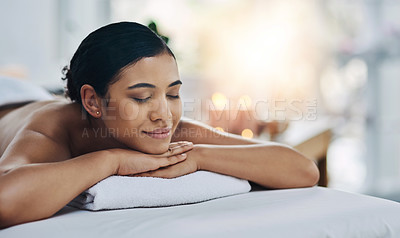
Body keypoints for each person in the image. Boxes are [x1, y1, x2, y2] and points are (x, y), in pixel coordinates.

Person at [0, 22, 319, 228]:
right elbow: (5, 201)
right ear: (93, 102)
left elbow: (303, 170)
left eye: (174, 93)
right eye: (141, 98)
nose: (163, 114)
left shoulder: (167, 127)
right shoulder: (49, 130)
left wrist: (198, 156)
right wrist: (112, 161)